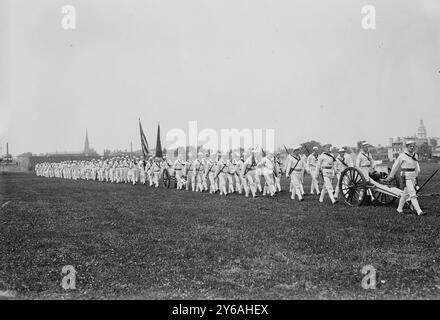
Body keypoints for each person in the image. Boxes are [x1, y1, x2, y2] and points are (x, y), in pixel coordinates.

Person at [385, 140, 425, 216]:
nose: (412, 148)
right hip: (406, 176)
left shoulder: (415, 155)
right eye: (410, 146)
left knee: (405, 194)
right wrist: (391, 176)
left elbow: (416, 166)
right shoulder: (402, 156)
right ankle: (419, 211)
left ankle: (399, 209)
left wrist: (416, 177)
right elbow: (395, 166)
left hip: (413, 176)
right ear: (407, 147)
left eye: (413, 146)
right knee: (412, 194)